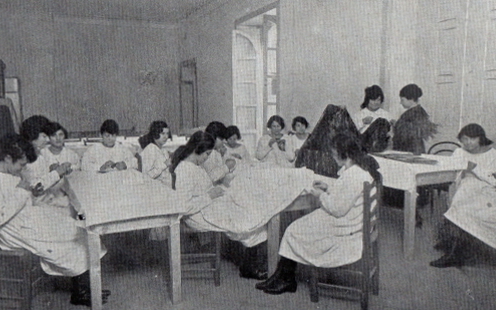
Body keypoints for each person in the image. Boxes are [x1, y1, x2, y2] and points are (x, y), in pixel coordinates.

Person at [0, 133, 109, 307]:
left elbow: (30, 189)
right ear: (7, 158)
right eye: (21, 164)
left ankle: (84, 288)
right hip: (12, 230)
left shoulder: (13, 173)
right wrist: (21, 191)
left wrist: (44, 182)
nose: (22, 169)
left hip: (26, 218)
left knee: (78, 228)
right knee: (71, 240)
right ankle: (81, 293)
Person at [256, 131, 381, 295]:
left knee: (293, 230)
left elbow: (337, 210)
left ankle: (286, 278)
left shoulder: (353, 177)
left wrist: (319, 195)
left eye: (335, 154)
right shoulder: (358, 171)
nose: (333, 157)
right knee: (297, 226)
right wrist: (328, 188)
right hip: (350, 221)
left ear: (345, 154)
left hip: (345, 227)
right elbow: (346, 196)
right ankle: (282, 276)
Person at [171, 131, 268, 280]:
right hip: (196, 215)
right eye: (207, 154)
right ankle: (250, 267)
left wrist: (217, 193)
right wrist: (210, 196)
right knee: (250, 220)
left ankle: (248, 263)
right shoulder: (184, 169)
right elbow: (184, 206)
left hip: (206, 206)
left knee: (249, 211)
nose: (207, 157)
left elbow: (203, 187)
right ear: (197, 149)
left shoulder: (195, 165)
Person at [430, 124, 496, 268]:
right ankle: (453, 247)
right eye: (464, 139)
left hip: (487, 190)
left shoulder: (494, 154)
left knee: (467, 205)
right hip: (465, 187)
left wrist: (473, 167)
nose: (468, 143)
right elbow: (451, 171)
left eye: (472, 138)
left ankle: (457, 248)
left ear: (481, 138)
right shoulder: (459, 152)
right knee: (461, 200)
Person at [20, 116, 74, 211]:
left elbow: (43, 178)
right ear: (32, 136)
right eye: (44, 136)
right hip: (39, 206)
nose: (48, 140)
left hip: (49, 199)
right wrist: (57, 173)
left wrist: (54, 170)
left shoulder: (39, 155)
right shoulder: (26, 160)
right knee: (78, 210)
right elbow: (36, 188)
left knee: (77, 205)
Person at [392, 84, 438, 154]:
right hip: (414, 148)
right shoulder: (419, 111)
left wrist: (396, 127)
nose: (400, 102)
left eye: (402, 100)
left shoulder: (414, 113)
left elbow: (408, 134)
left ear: (411, 99)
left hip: (409, 149)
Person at [355, 85, 394, 153]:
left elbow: (391, 134)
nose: (376, 102)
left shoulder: (386, 114)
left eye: (378, 100)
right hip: (364, 144)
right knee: (380, 121)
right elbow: (353, 133)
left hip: (382, 143)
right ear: (367, 100)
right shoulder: (359, 114)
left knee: (382, 121)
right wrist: (362, 123)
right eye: (373, 100)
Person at [138, 120, 173, 187]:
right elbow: (146, 175)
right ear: (155, 133)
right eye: (162, 133)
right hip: (155, 188)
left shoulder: (163, 150)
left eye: (167, 133)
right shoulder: (150, 149)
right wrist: (164, 165)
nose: (166, 137)